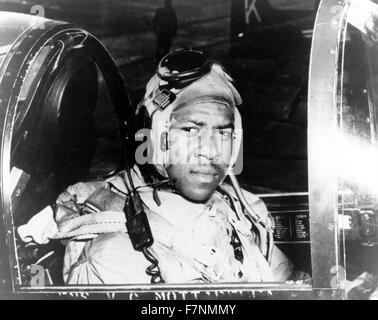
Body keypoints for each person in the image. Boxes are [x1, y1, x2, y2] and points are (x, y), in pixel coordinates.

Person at [18, 49, 294, 284]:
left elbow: (290, 280)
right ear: (153, 138)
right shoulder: (112, 252)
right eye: (190, 130)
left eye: (223, 133)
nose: (211, 151)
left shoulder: (241, 211)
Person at [152, 0, 178, 65]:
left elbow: (155, 21)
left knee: (159, 48)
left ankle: (157, 63)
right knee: (165, 50)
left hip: (160, 32)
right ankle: (163, 63)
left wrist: (154, 29)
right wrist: (174, 32)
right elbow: (174, 23)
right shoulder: (171, 11)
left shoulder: (160, 10)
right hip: (167, 33)